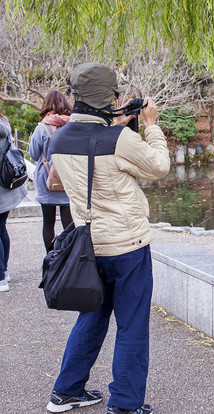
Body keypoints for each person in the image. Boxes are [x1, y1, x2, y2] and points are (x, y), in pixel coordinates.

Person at [44, 63, 169, 414]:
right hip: (127, 247)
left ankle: (66, 392)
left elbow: (55, 182)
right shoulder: (121, 139)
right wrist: (151, 126)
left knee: (93, 317)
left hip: (87, 247)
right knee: (131, 325)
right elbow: (159, 166)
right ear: (110, 98)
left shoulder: (60, 137)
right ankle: (126, 404)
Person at [29, 90, 73, 252]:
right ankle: (68, 258)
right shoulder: (72, 126)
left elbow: (33, 154)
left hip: (46, 179)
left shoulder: (41, 128)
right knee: (69, 224)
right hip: (68, 179)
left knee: (48, 223)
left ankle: (51, 258)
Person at [0, 108, 29, 292]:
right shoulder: (4, 122)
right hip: (6, 185)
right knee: (2, 228)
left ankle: (1, 276)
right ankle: (5, 270)